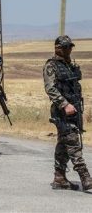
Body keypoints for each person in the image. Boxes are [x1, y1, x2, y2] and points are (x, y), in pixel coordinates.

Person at [43, 35, 92, 191]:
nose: (69, 49)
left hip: (75, 110)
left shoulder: (70, 66)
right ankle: (85, 177)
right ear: (57, 48)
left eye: (70, 47)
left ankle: (59, 177)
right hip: (62, 112)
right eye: (65, 47)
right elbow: (50, 88)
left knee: (63, 144)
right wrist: (64, 104)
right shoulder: (51, 65)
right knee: (72, 142)